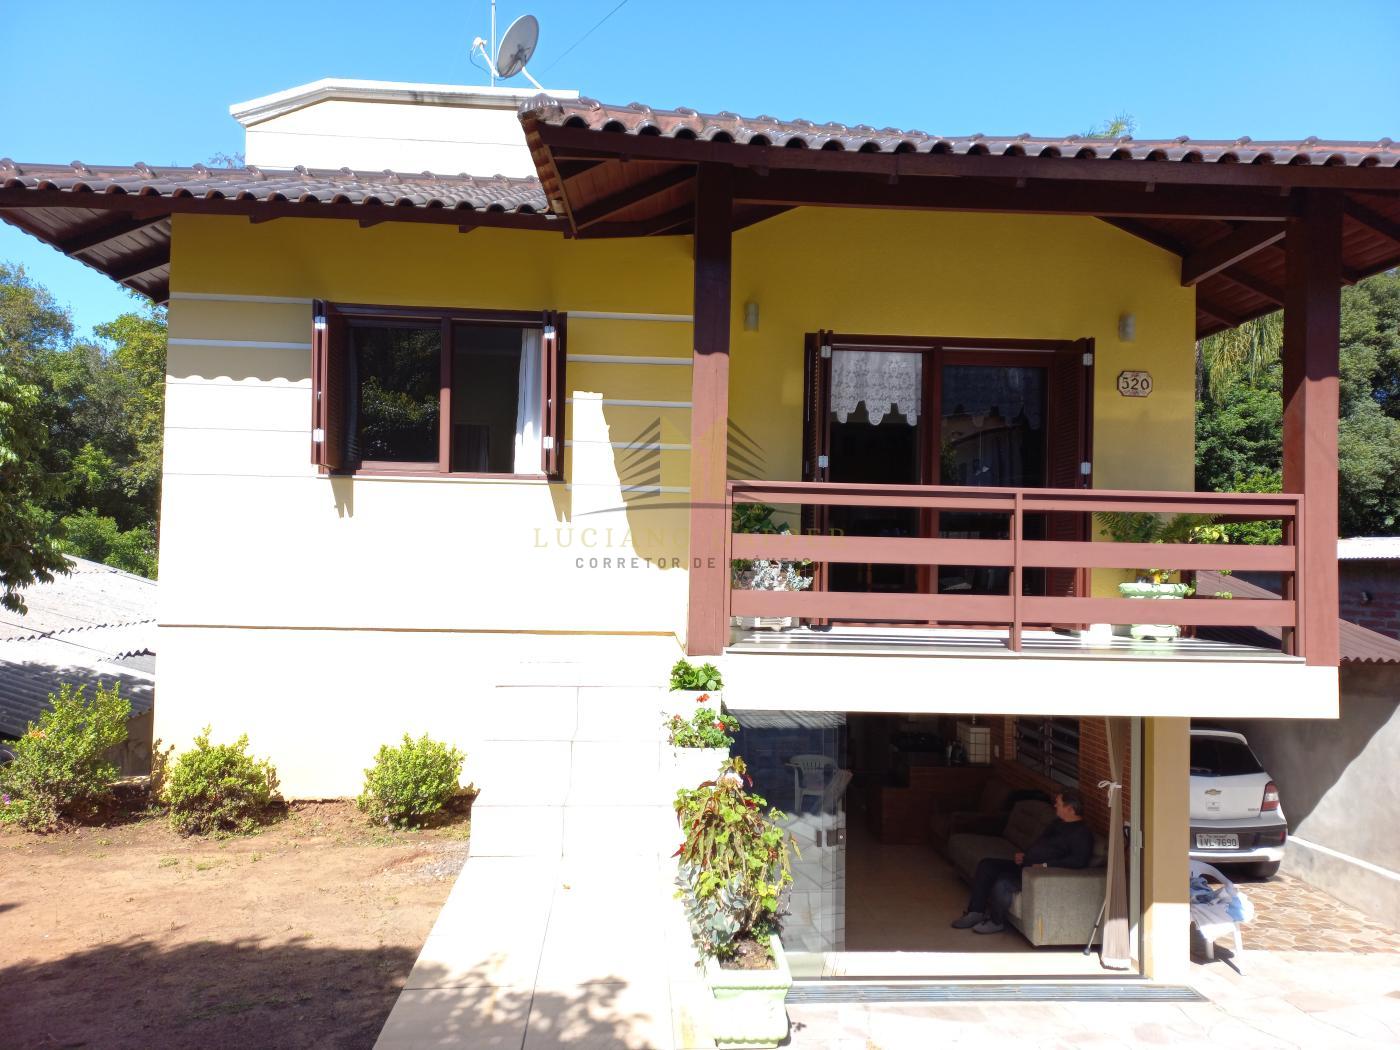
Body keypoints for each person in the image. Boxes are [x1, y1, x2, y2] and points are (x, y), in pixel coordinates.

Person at [950, 790, 1096, 935]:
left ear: (1070, 809)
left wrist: (1046, 866)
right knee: (986, 865)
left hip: (1037, 873)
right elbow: (1041, 844)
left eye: (1058, 804)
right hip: (1026, 864)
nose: (1055, 806)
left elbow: (1078, 861)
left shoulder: (1081, 834)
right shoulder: (1057, 823)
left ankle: (996, 922)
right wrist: (1025, 855)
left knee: (1004, 882)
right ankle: (975, 911)